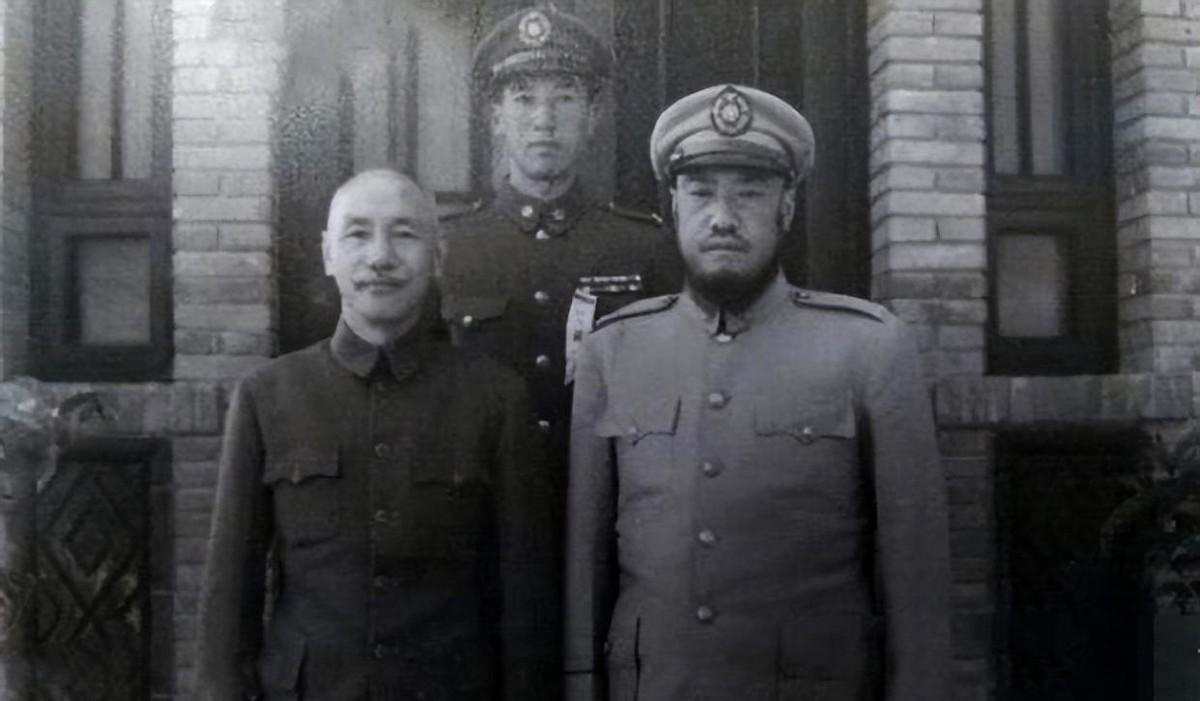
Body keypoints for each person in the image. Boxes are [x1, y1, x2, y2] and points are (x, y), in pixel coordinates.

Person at [564, 85, 952, 701]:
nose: (723, 217)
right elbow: (586, 564)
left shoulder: (869, 348)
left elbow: (916, 574)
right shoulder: (612, 351)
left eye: (749, 193)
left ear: (787, 207)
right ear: (674, 206)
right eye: (701, 192)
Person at [194, 170, 555, 701]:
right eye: (358, 234)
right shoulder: (267, 396)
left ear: (438, 256)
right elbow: (229, 596)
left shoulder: (495, 398)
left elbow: (525, 600)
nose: (380, 257)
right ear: (328, 253)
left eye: (404, 234)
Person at [440, 3, 680, 473]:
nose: (543, 119)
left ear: (592, 117)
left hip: (609, 486)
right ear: (495, 117)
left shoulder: (645, 248)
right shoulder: (449, 249)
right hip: (479, 495)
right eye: (524, 99)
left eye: (565, 98)